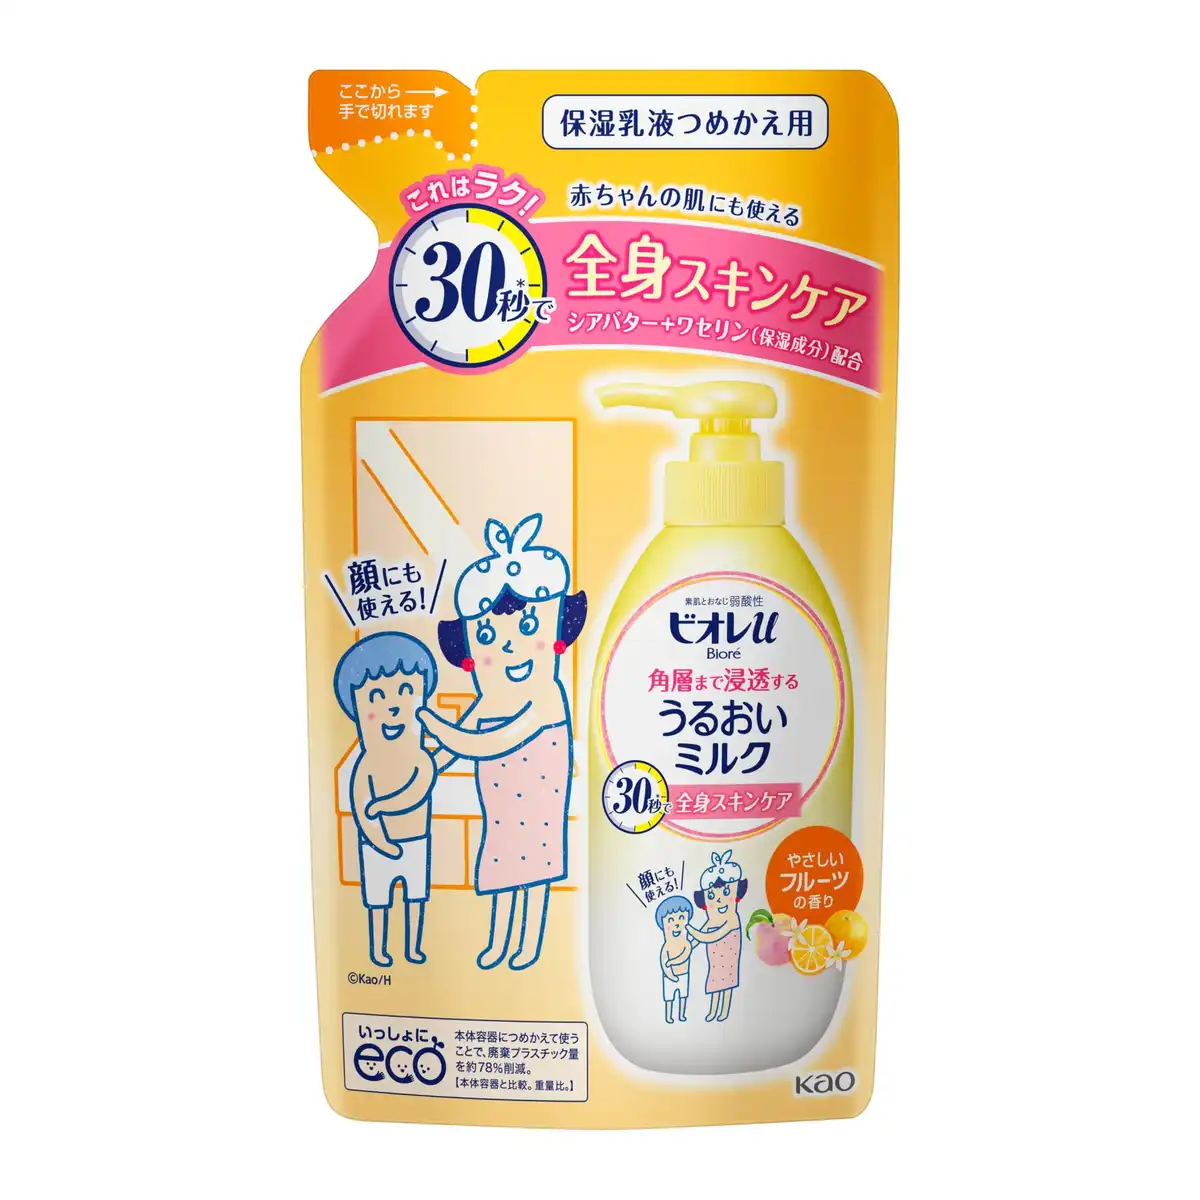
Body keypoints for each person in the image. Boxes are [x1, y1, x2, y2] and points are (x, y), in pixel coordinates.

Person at [419, 514, 587, 971]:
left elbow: (491, 743)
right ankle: (499, 940)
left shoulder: (545, 696)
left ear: (557, 633)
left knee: (534, 872)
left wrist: (437, 726)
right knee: (501, 865)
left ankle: (527, 942)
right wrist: (426, 760)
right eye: (489, 636)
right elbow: (460, 742)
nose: (510, 646)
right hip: (501, 811)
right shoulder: (490, 698)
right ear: (469, 653)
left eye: (528, 628)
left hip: (537, 809)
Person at [333, 630, 439, 968]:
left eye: (406, 692)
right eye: (375, 697)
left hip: (415, 839)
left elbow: (419, 789)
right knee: (377, 901)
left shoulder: (421, 758)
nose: (392, 707)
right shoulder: (365, 764)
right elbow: (360, 807)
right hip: (376, 847)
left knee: (415, 897)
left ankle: (412, 947)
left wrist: (383, 806)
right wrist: (380, 839)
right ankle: (378, 949)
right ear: (357, 712)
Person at [689, 850, 749, 1022]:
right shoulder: (712, 919)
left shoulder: (732, 919)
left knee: (727, 985)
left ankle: (723, 1010)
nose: (719, 900)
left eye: (726, 892)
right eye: (712, 896)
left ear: (736, 894)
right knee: (715, 984)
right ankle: (714, 1010)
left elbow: (712, 936)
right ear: (705, 902)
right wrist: (688, 946)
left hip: (728, 962)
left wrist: (692, 931)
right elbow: (701, 936)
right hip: (715, 962)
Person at [655, 895, 695, 1023]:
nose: (676, 924)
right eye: (670, 920)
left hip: (683, 974)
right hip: (669, 978)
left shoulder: (686, 943)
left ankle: (681, 1014)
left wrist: (672, 962)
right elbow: (663, 963)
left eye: (681, 918)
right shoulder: (666, 947)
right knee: (669, 998)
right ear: (663, 926)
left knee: (683, 996)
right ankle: (668, 1016)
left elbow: (685, 955)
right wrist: (670, 975)